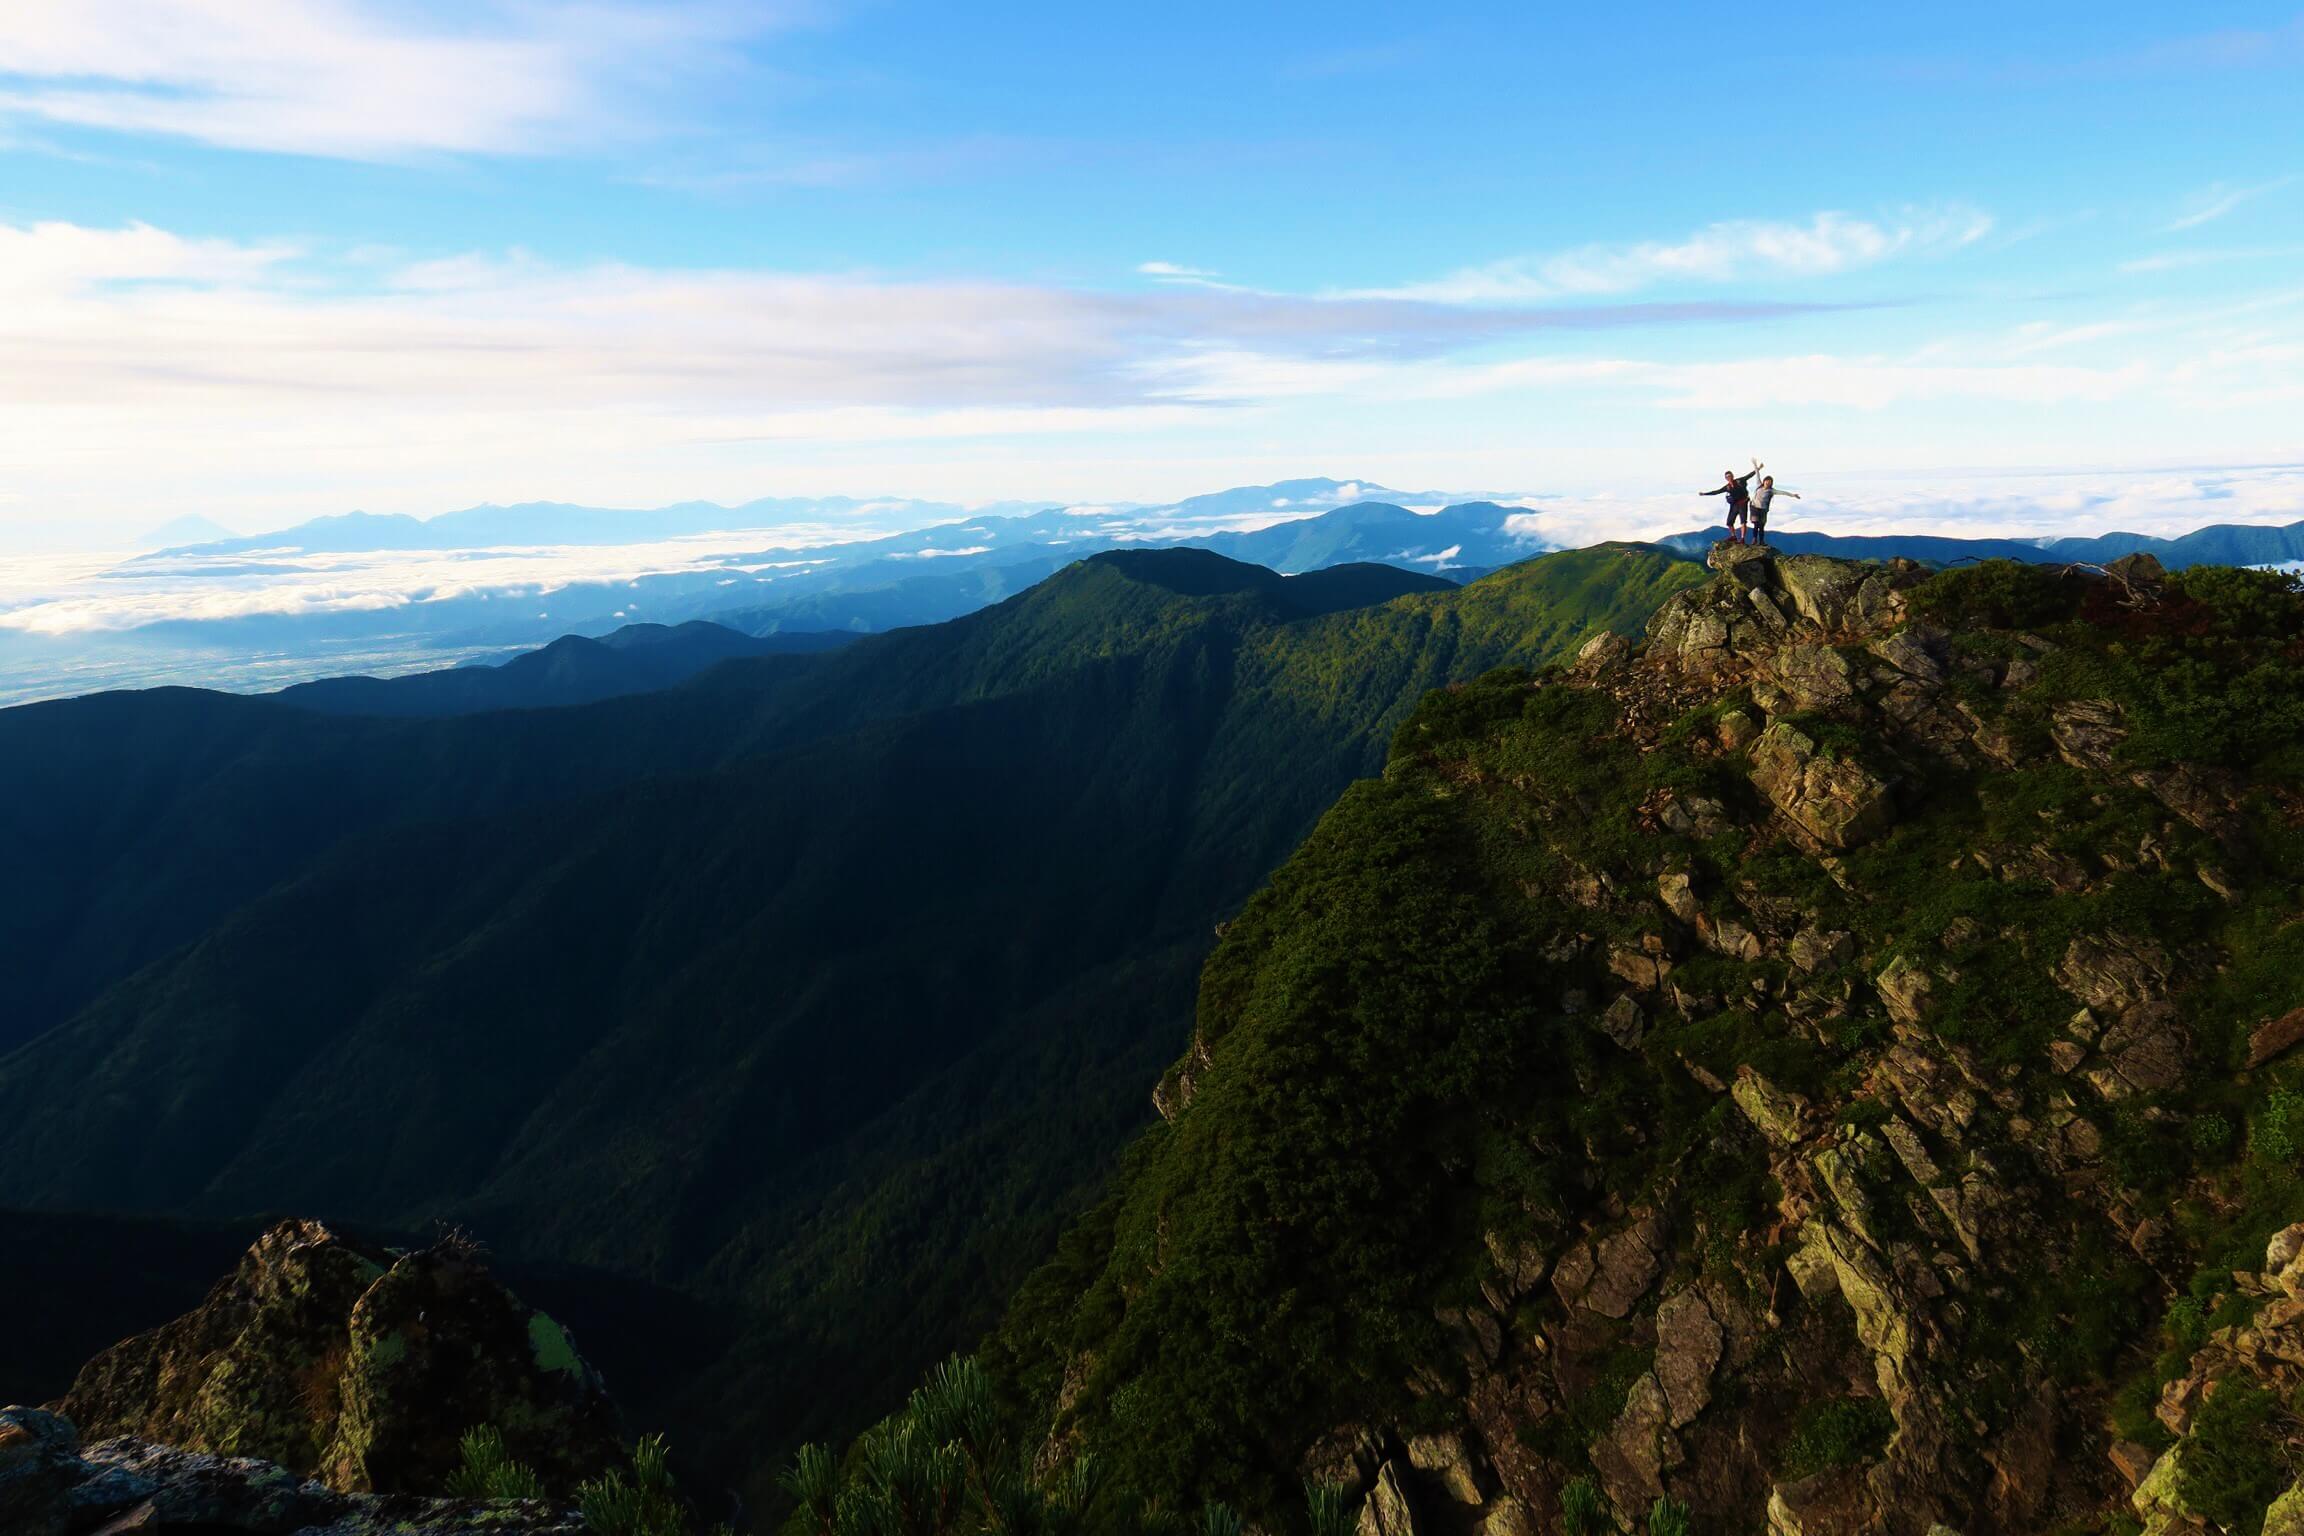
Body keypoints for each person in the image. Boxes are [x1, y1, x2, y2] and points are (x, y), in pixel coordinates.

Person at [1701, 460, 1763, 544]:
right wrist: (1705, 494)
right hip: (1734, 505)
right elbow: (1717, 492)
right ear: (1726, 478)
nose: (1729, 478)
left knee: (1743, 521)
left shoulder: (1740, 481)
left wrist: (1758, 468)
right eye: (1727, 477)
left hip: (1743, 503)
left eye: (1730, 476)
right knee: (1729, 522)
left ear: (1733, 476)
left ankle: (1742, 539)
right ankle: (1733, 536)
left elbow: (1750, 475)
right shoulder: (1727, 487)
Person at [1748, 475, 1799, 547]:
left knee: (1761, 526)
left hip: (1763, 510)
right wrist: (1756, 466)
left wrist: (1793, 495)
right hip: (1754, 508)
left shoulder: (1771, 491)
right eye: (1767, 481)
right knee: (1756, 524)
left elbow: (1782, 492)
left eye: (1770, 482)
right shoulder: (1759, 486)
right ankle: (1754, 539)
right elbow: (1757, 475)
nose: (1768, 483)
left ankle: (1761, 541)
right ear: (1764, 481)